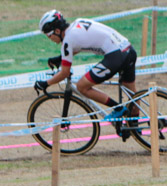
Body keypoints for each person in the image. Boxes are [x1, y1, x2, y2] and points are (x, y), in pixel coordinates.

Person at [34, 10, 139, 138]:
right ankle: (135, 126)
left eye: (49, 36)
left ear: (56, 31)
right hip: (128, 49)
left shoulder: (67, 40)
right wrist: (60, 57)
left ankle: (117, 108)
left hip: (115, 56)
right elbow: (80, 44)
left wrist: (45, 83)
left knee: (82, 86)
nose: (51, 40)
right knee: (132, 94)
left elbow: (64, 73)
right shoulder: (78, 23)